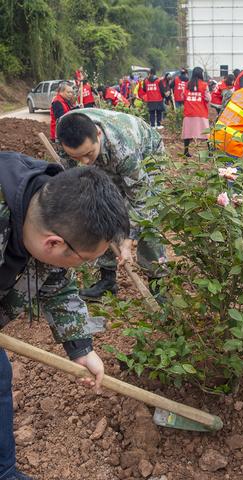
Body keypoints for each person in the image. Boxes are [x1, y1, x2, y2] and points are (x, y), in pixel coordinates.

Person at [0, 154, 129, 480]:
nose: (82, 268)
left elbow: (56, 287)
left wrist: (82, 349)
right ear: (54, 242)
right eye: (84, 260)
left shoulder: (49, 203)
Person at [56, 109, 167, 300]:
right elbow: (68, 174)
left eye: (88, 154)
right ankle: (107, 280)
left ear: (98, 134)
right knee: (101, 209)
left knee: (149, 219)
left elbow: (141, 200)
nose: (84, 162)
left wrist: (127, 240)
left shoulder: (125, 150)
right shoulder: (64, 135)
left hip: (148, 156)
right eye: (77, 157)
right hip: (108, 156)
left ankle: (157, 285)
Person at [182, 67, 210, 157]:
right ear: (201, 74)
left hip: (189, 112)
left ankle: (186, 151)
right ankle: (210, 152)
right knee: (206, 133)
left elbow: (183, 96)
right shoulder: (204, 85)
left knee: (187, 133)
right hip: (201, 112)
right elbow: (208, 98)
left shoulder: (187, 84)